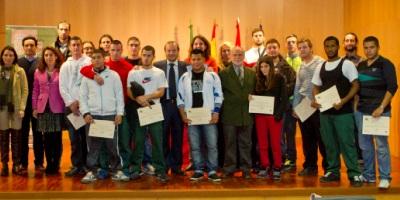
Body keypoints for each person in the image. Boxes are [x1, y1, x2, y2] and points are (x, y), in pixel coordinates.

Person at [311, 36, 362, 187]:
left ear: (338, 46)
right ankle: (333, 171)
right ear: (324, 48)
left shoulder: (346, 64)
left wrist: (343, 101)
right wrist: (316, 99)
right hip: (325, 113)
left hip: (343, 113)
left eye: (333, 46)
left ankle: (354, 173)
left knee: (347, 143)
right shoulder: (321, 66)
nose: (330, 49)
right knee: (329, 144)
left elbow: (355, 85)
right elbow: (315, 86)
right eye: (327, 46)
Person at [80, 40, 134, 178]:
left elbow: (119, 96)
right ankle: (92, 171)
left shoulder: (113, 75)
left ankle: (116, 169)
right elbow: (83, 97)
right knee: (93, 145)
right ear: (90, 60)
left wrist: (119, 113)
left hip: (110, 116)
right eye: (94, 58)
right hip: (93, 116)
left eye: (99, 57)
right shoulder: (87, 78)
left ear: (104, 59)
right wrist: (85, 113)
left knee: (113, 145)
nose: (96, 60)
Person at [355, 36, 398, 189]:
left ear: (378, 47)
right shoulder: (360, 66)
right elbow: (357, 88)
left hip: (380, 111)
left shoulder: (386, 64)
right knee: (365, 145)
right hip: (362, 112)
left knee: (381, 145)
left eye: (372, 47)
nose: (368, 50)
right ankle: (369, 175)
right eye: (366, 48)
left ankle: (385, 177)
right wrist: (356, 107)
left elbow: (392, 87)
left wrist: (381, 107)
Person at [177, 49, 223, 182]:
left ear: (204, 60)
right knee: (195, 145)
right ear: (190, 60)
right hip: (192, 116)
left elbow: (219, 95)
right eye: (194, 59)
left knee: (212, 144)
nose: (196, 62)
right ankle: (198, 170)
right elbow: (180, 98)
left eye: (199, 59)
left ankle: (212, 170)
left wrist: (216, 112)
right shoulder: (185, 77)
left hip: (208, 116)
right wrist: (182, 115)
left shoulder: (213, 76)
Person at [127, 45, 168, 182]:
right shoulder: (133, 72)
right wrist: (139, 99)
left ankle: (160, 169)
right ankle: (136, 168)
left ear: (153, 56)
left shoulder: (159, 73)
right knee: (138, 141)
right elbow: (129, 91)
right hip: (140, 111)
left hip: (155, 110)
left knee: (157, 140)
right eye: (144, 55)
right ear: (141, 55)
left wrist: (147, 98)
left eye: (149, 55)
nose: (146, 57)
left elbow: (161, 92)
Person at [219, 46, 256, 179]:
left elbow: (255, 92)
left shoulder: (252, 73)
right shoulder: (223, 74)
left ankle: (246, 169)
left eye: (240, 55)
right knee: (230, 143)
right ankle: (229, 168)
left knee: (246, 143)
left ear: (244, 56)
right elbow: (219, 93)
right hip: (229, 114)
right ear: (231, 56)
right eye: (235, 55)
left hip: (247, 114)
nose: (237, 57)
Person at [292, 38, 327, 176]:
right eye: (299, 48)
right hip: (304, 106)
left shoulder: (321, 63)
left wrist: (317, 99)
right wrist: (295, 106)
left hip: (318, 106)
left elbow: (325, 84)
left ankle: (328, 168)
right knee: (307, 139)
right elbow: (297, 87)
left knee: (322, 138)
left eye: (304, 47)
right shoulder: (300, 66)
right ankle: (310, 166)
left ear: (311, 48)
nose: (302, 50)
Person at [59, 36, 92, 177]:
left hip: (85, 107)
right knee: (74, 138)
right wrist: (71, 103)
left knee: (86, 138)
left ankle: (87, 165)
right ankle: (76, 165)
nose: (76, 47)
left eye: (78, 45)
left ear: (81, 46)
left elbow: (90, 84)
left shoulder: (89, 62)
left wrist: (80, 102)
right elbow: (62, 86)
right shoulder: (66, 65)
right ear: (70, 47)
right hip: (71, 107)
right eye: (73, 45)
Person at [154, 41, 187, 176]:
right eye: (169, 51)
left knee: (178, 136)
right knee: (163, 137)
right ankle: (164, 165)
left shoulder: (185, 66)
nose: (171, 53)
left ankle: (176, 166)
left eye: (174, 50)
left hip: (179, 106)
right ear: (165, 51)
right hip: (163, 105)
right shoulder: (157, 66)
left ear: (178, 51)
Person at [253, 56, 288, 181]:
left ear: (271, 66)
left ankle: (277, 166)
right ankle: (265, 165)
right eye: (261, 67)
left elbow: (284, 99)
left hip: (274, 116)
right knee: (262, 143)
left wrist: (278, 114)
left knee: (275, 143)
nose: (263, 69)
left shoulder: (279, 78)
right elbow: (254, 96)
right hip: (260, 116)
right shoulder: (258, 79)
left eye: (266, 66)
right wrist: (251, 99)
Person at [32, 47, 65, 175]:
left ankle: (56, 162)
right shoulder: (38, 71)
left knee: (57, 138)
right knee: (46, 138)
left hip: (57, 107)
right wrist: (34, 107)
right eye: (46, 55)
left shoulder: (62, 70)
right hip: (43, 107)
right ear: (43, 57)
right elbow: (35, 90)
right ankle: (49, 163)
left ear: (56, 56)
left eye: (51, 55)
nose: (48, 57)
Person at [265, 38, 297, 172]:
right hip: (268, 107)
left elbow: (292, 84)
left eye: (274, 47)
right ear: (267, 50)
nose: (272, 50)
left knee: (288, 133)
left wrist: (281, 93)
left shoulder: (286, 67)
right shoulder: (263, 65)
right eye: (270, 47)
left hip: (285, 105)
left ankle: (290, 159)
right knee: (275, 135)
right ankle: (277, 159)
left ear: (278, 49)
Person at [0, 46, 28, 176]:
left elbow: (25, 91)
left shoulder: (20, 71)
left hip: (16, 108)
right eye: (6, 55)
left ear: (15, 57)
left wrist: (22, 108)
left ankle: (16, 164)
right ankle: (4, 165)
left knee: (16, 137)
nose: (8, 57)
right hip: (2, 109)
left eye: (11, 55)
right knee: (3, 137)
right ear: (2, 56)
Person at [18, 36, 43, 174]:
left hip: (37, 105)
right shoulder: (18, 62)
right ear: (23, 47)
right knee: (22, 134)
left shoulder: (41, 62)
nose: (29, 47)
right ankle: (23, 163)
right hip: (22, 105)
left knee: (38, 134)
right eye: (26, 45)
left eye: (32, 45)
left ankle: (39, 163)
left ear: (36, 47)